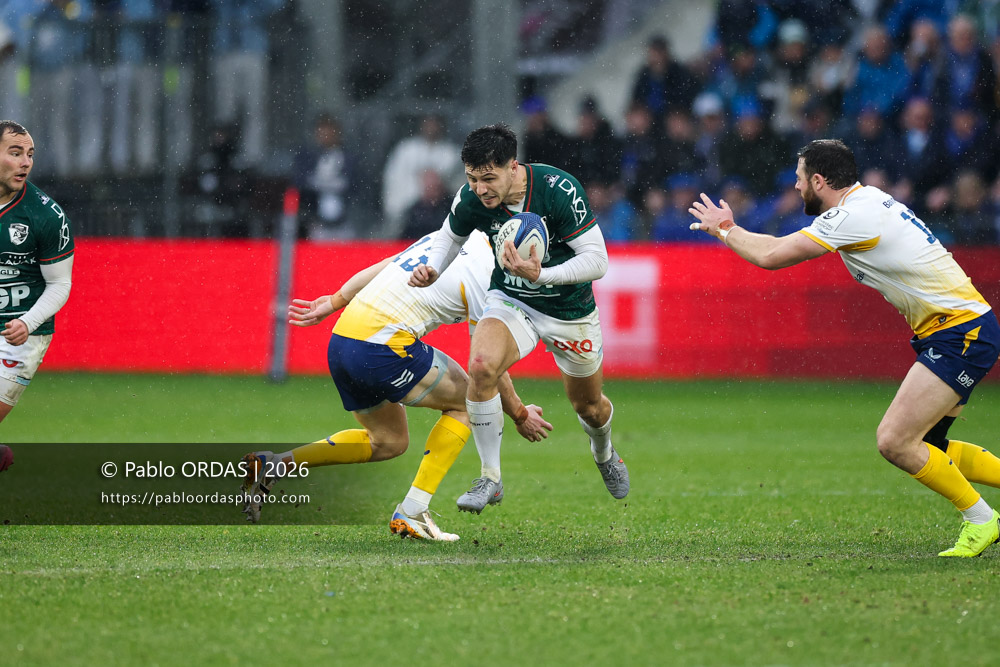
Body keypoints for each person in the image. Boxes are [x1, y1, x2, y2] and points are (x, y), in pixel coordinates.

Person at [689, 139, 1000, 557]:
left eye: (800, 180)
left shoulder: (851, 216)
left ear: (818, 180)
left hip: (959, 332)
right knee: (932, 445)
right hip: (963, 327)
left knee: (895, 441)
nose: (797, 188)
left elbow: (774, 256)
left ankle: (982, 520)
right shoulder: (870, 199)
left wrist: (727, 229)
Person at [241, 230, 551, 540]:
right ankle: (412, 511)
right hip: (382, 347)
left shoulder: (451, 238)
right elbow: (488, 366)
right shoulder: (487, 277)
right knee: (466, 401)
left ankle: (277, 464)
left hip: (342, 341)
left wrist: (335, 301)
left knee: (388, 441)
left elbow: (386, 265)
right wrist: (521, 415)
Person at [408, 123, 629, 514]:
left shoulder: (559, 190)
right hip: (512, 299)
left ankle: (604, 452)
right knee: (481, 367)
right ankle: (490, 477)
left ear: (513, 166)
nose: (480, 189)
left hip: (569, 311)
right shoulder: (472, 198)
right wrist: (432, 268)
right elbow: (449, 237)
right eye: (472, 178)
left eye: (488, 178)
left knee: (589, 407)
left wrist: (542, 275)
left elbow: (598, 261)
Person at [0, 121, 74, 476]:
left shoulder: (46, 215)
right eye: (15, 153)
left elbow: (60, 285)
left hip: (19, 337)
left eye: (29, 154)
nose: (25, 163)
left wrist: (26, 323)